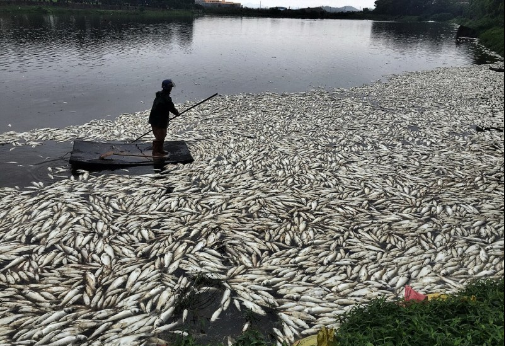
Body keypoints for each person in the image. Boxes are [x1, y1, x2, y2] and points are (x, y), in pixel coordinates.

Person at [148, 79, 180, 157]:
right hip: (158, 121)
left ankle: (160, 150)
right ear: (167, 88)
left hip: (158, 120)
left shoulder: (160, 95)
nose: (171, 88)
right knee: (159, 137)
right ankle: (155, 152)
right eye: (170, 87)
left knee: (162, 135)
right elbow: (171, 108)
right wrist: (177, 113)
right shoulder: (165, 99)